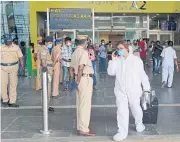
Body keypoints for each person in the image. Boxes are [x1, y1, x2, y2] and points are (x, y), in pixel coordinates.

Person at [107, 41, 151, 141]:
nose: (119, 50)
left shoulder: (136, 60)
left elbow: (143, 75)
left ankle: (139, 123)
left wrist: (146, 89)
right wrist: (112, 60)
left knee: (135, 108)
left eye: (121, 48)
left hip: (134, 90)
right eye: (117, 49)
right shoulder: (117, 60)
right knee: (121, 111)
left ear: (127, 48)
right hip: (120, 90)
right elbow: (110, 72)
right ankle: (122, 132)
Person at [70, 35, 95, 136]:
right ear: (85, 43)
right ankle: (84, 129)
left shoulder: (75, 52)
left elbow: (71, 68)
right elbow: (81, 67)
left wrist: (74, 80)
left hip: (78, 79)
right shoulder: (84, 52)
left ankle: (80, 126)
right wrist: (79, 80)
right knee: (85, 105)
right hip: (84, 79)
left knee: (79, 104)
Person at [1, 37, 24, 107]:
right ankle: (5, 100)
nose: (8, 44)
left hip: (14, 67)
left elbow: (20, 57)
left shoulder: (16, 48)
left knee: (13, 84)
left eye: (9, 43)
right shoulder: (1, 48)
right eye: (7, 43)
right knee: (2, 84)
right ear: (4, 42)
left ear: (11, 42)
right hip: (2, 68)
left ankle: (12, 101)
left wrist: (22, 65)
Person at [38, 36, 55, 112]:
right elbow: (43, 61)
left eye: (51, 43)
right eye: (50, 43)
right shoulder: (44, 49)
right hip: (47, 69)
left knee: (48, 89)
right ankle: (45, 107)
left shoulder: (46, 49)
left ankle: (46, 105)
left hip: (49, 69)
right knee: (46, 89)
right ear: (46, 43)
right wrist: (46, 73)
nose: (51, 44)